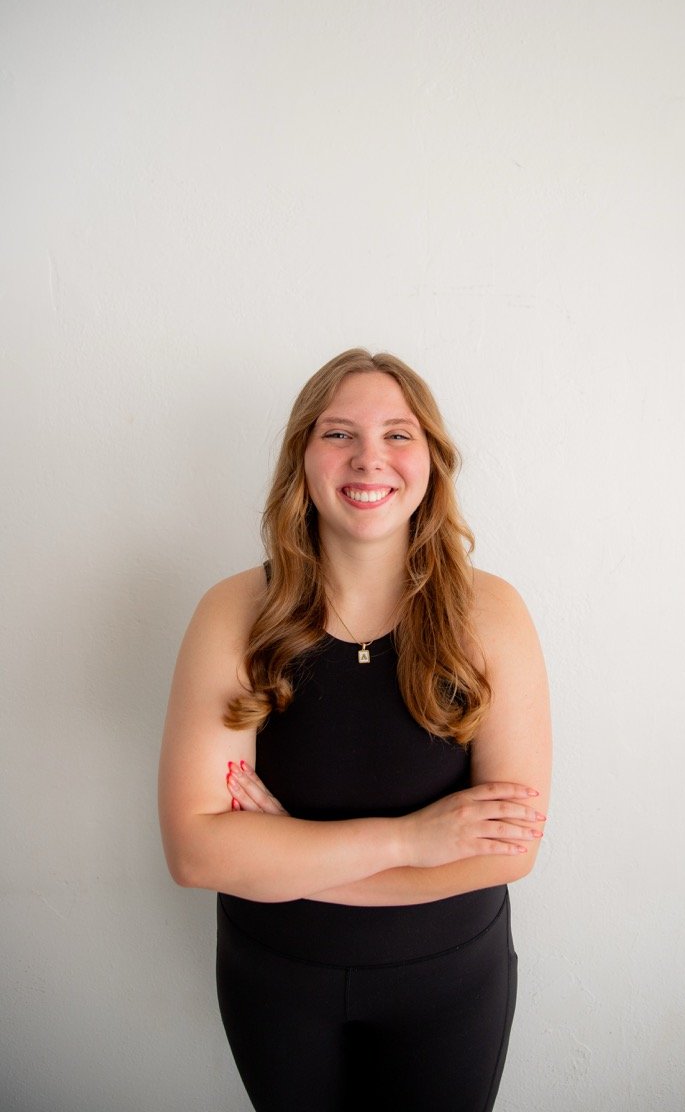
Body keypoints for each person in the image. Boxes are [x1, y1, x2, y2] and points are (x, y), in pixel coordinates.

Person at [158, 348, 551, 1112]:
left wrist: (288, 858)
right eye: (338, 433)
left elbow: (512, 850)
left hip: (450, 985)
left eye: (398, 435)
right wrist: (411, 841)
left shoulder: (491, 614)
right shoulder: (233, 613)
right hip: (274, 982)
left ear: (432, 461)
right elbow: (196, 853)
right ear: (301, 457)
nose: (369, 457)